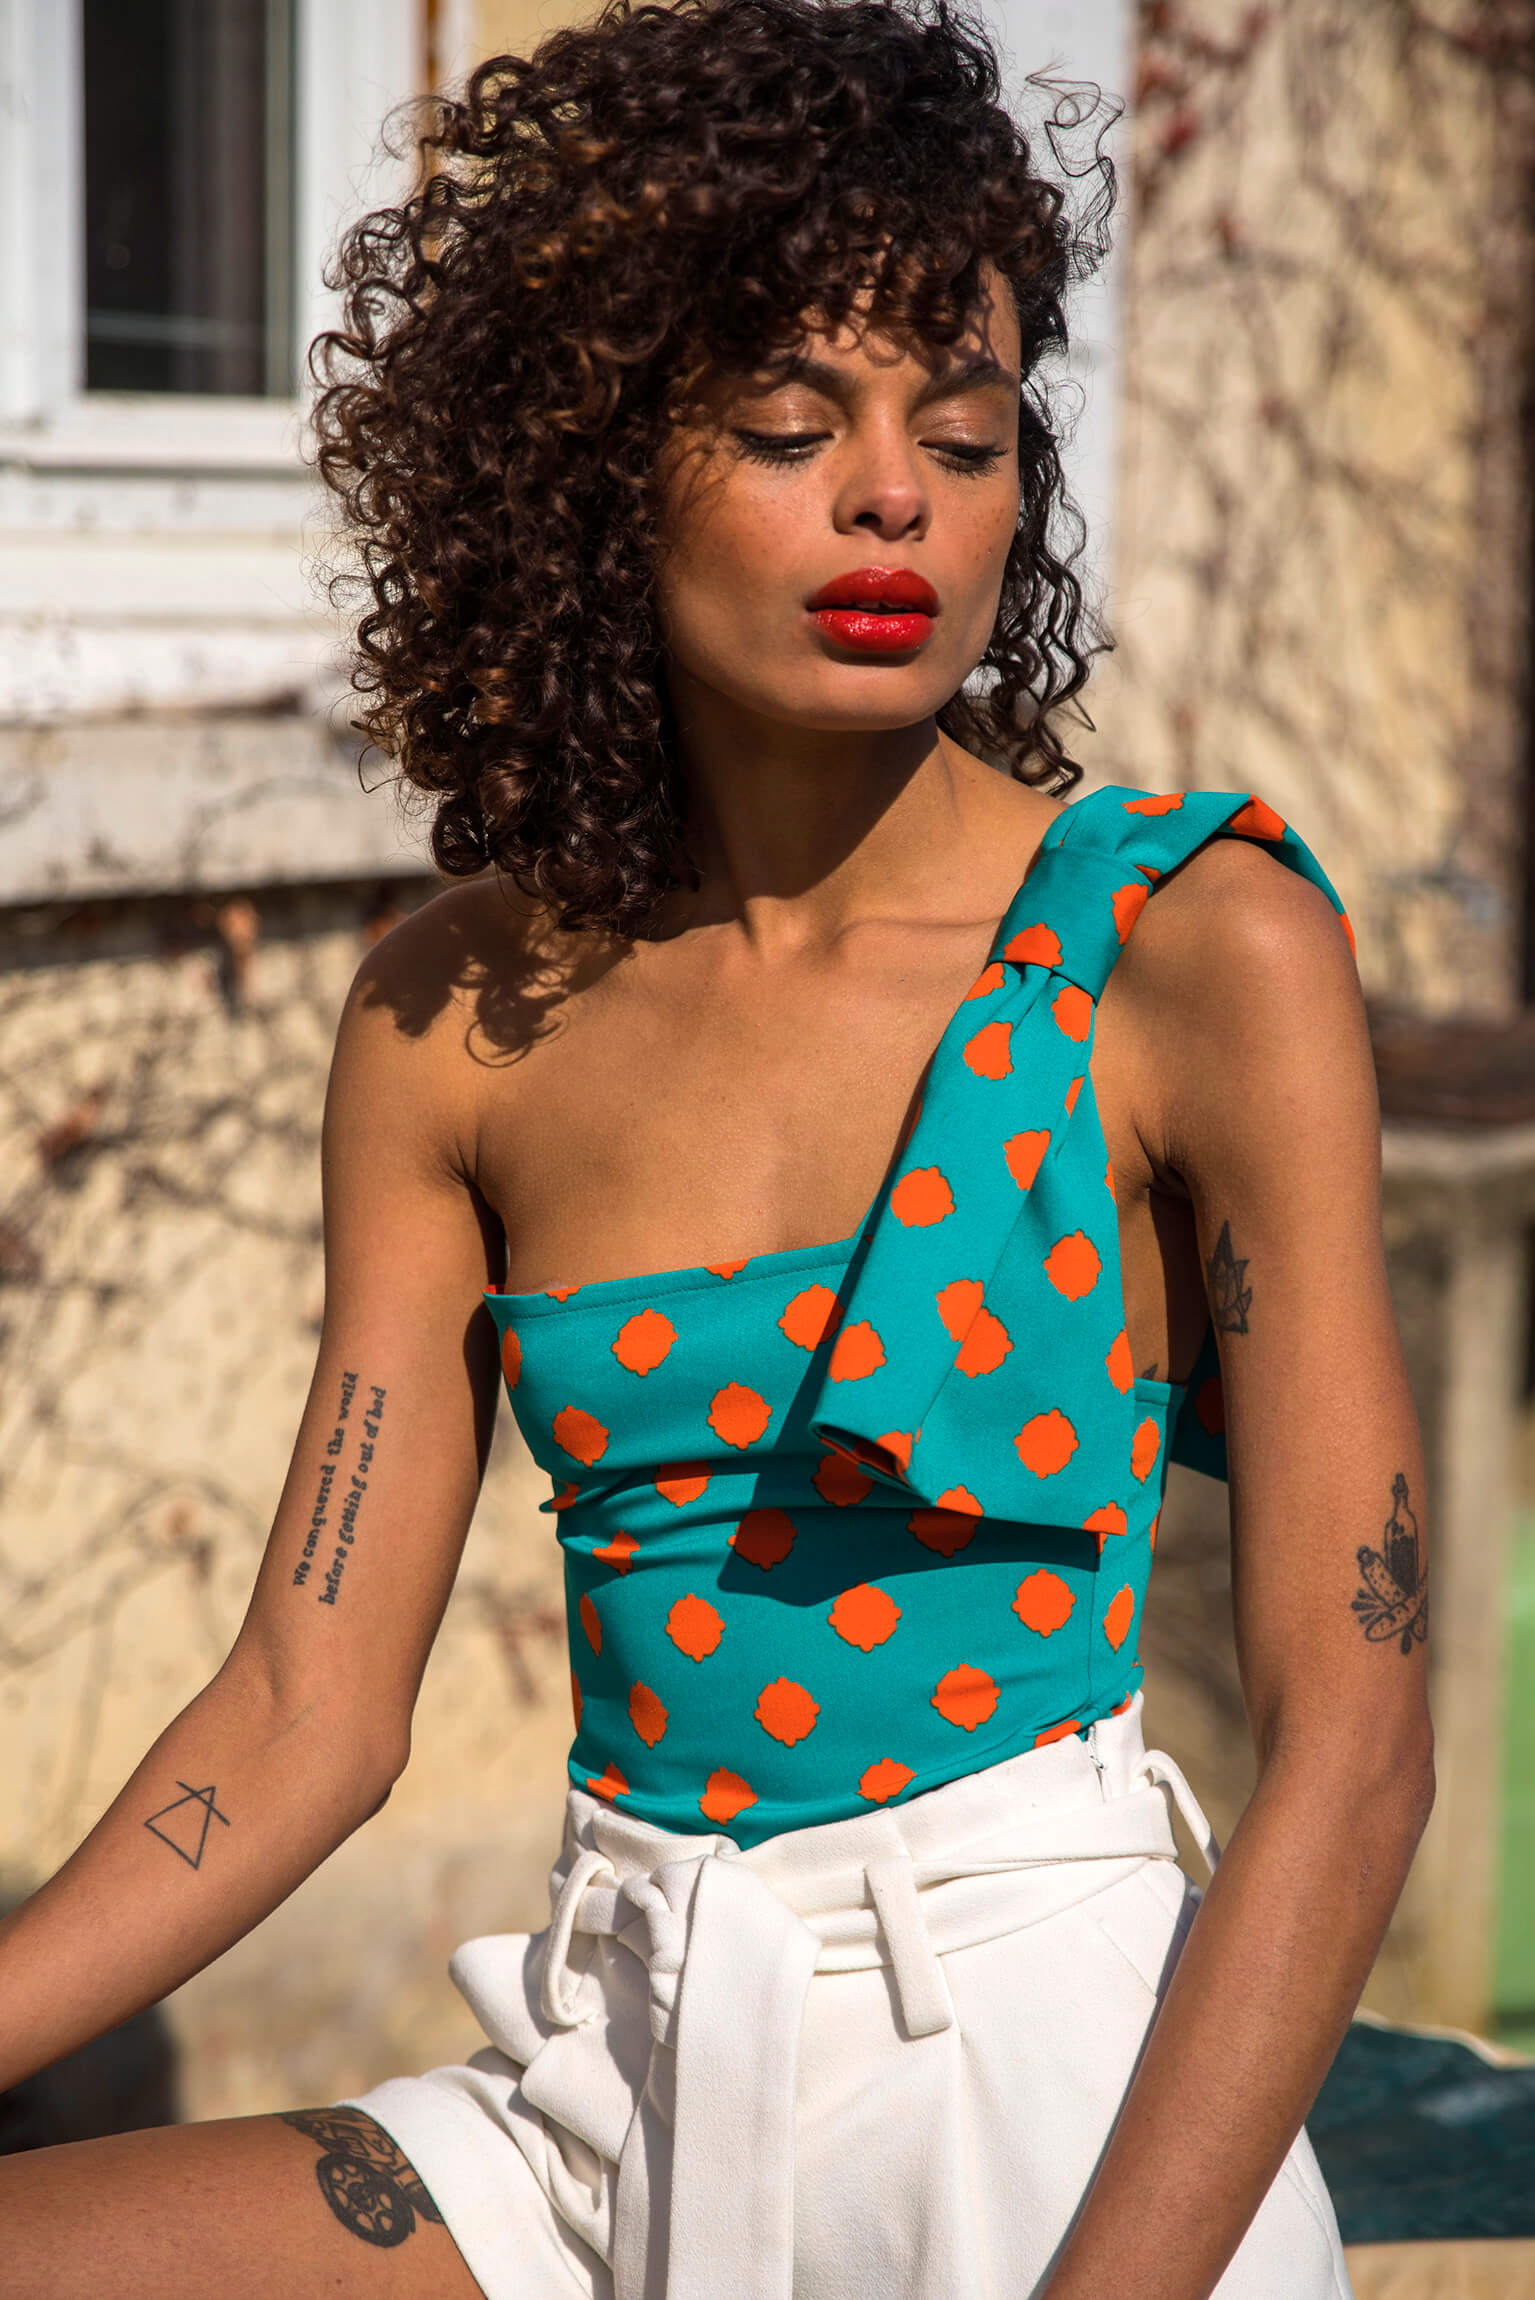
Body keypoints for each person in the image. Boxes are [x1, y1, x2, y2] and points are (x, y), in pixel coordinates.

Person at [0, 1, 1433, 2294]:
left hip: (1051, 2090)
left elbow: (1354, 1739)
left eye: (963, 435)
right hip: (618, 2058)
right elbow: (301, 1713)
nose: (892, 499)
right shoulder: (456, 1016)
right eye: (788, 425)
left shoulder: (1187, 949)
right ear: (594, 467)